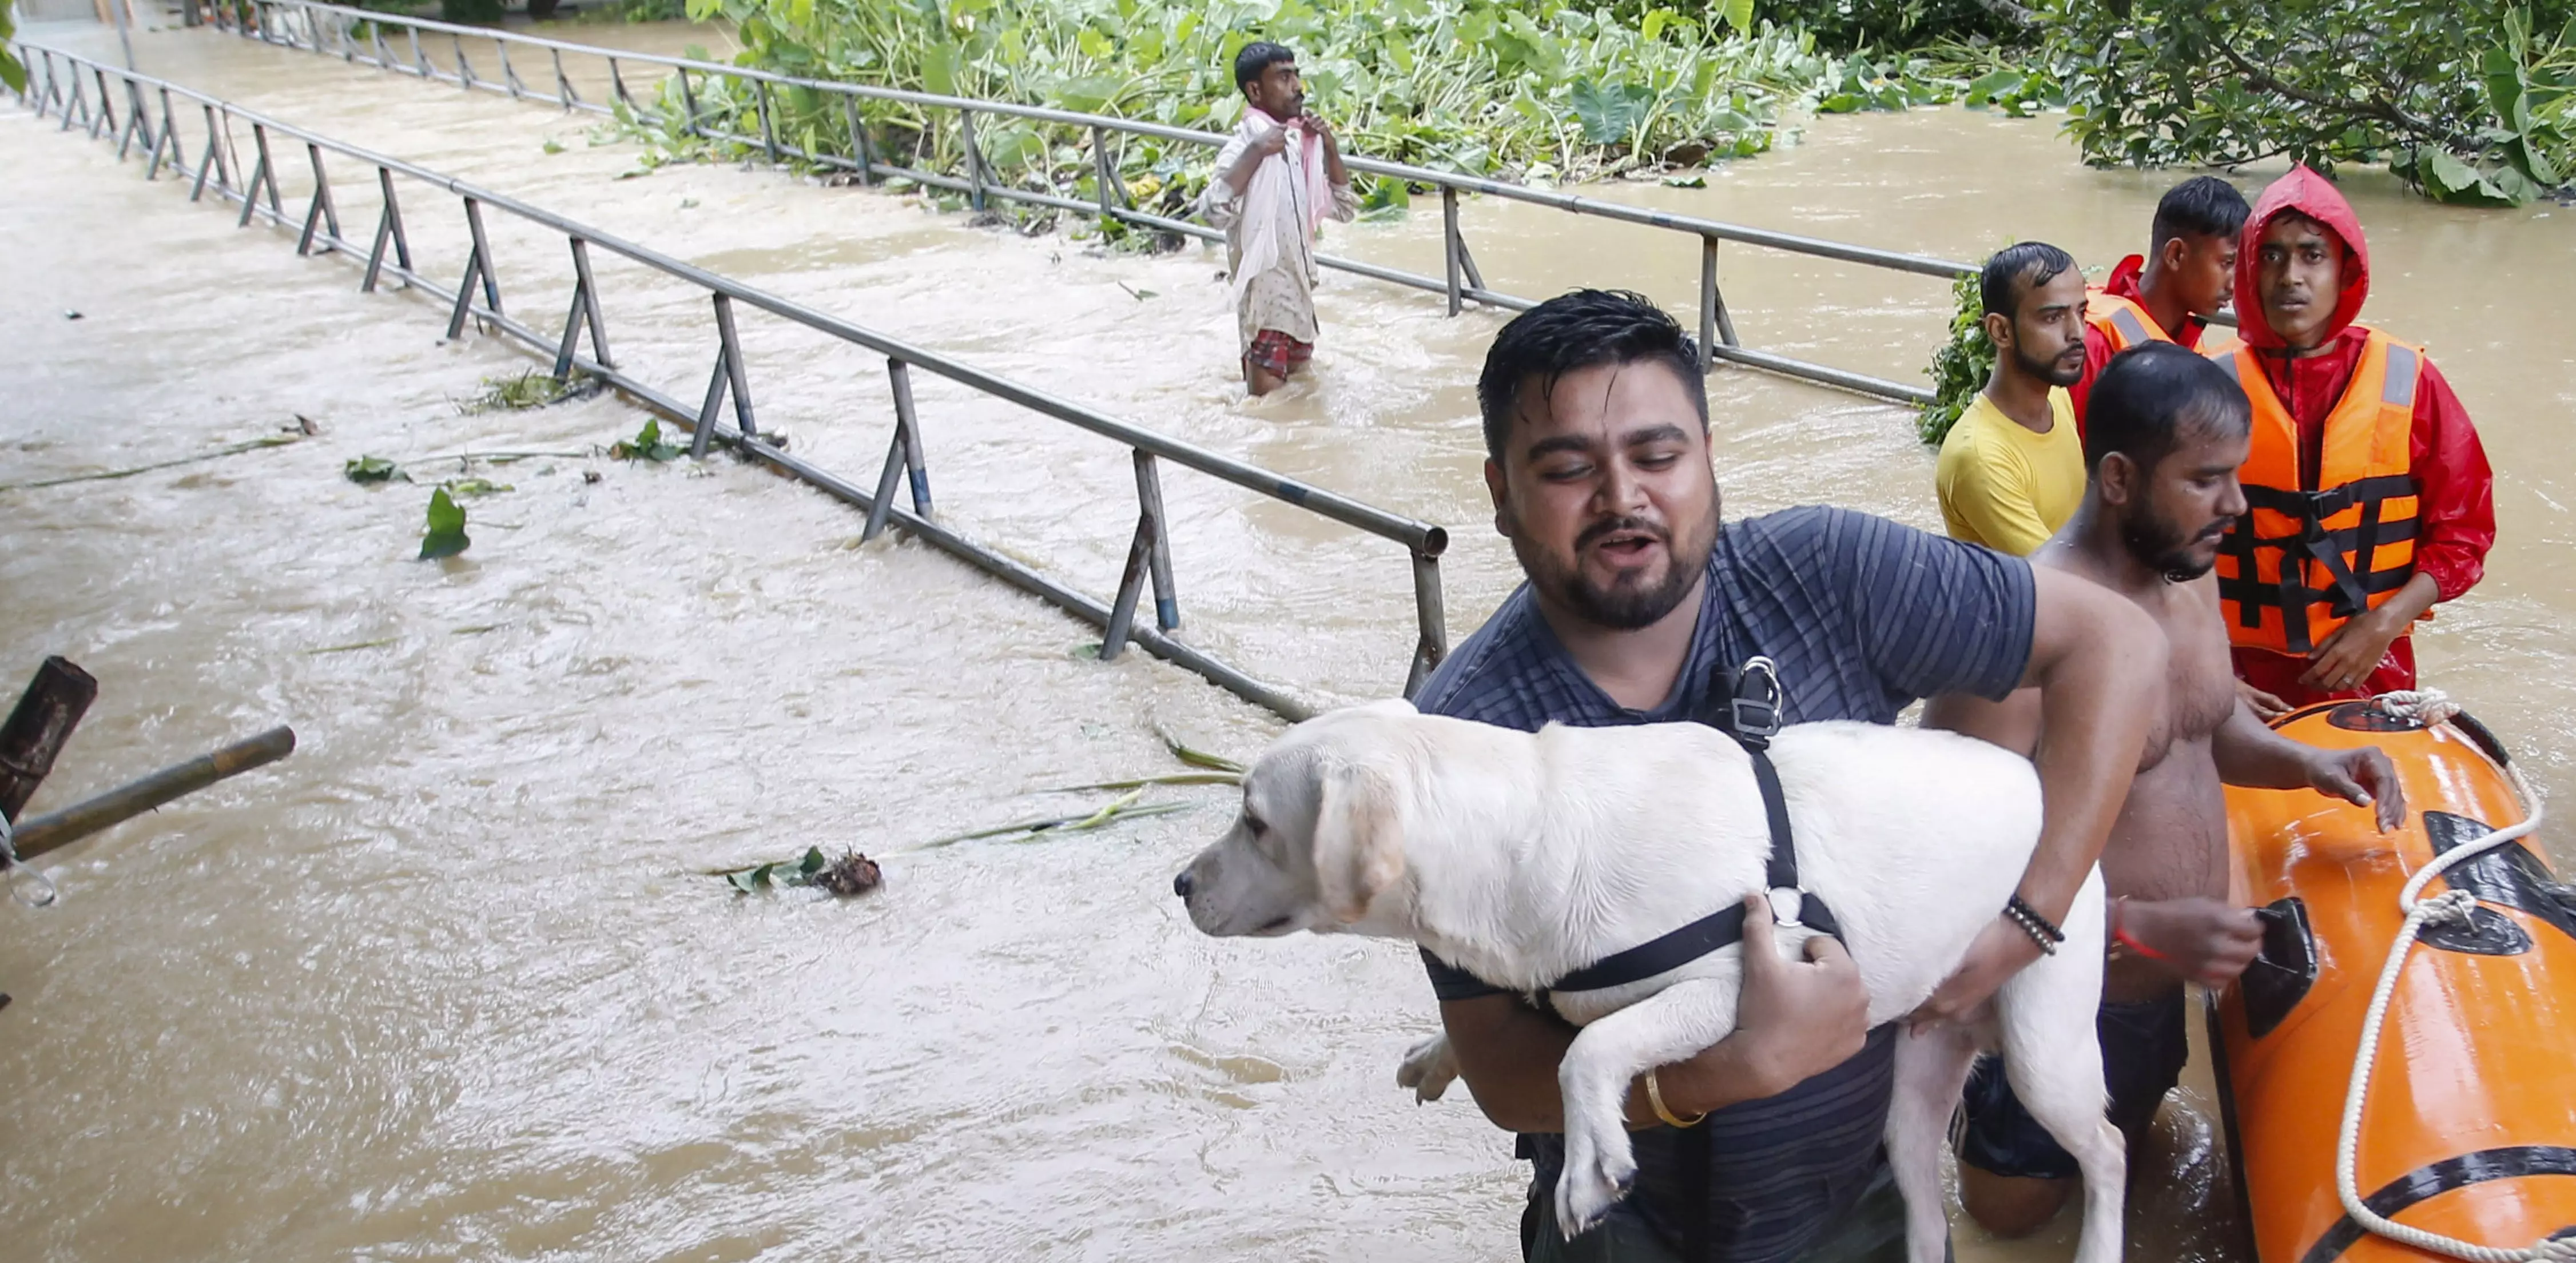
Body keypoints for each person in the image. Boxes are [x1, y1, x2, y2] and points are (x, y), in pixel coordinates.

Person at [1416, 289, 2166, 1262]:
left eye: (1656, 454)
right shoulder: (1464, 736)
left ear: (1708, 456)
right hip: (1621, 1223)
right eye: (1565, 468)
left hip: (1859, 1204)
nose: (1620, 497)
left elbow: (2116, 646)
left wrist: (2030, 916)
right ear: (1498, 489)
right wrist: (1713, 1075)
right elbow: (1500, 1068)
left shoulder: (1822, 573)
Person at [1926, 342, 2405, 1236]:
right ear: (2117, 478)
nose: (2237, 504)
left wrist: (2308, 765)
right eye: (2207, 480)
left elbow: (2208, 723)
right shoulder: (2022, 638)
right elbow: (1942, 884)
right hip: (2044, 1008)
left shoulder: (2191, 575)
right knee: (2008, 1219)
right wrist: (2142, 927)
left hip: (2156, 999)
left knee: (2123, 1189)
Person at [2213, 166, 2496, 717]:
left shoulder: (2410, 379)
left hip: (2371, 667)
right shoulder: (2207, 385)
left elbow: (2465, 533)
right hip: (2237, 678)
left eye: (2311, 255)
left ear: (2346, 270)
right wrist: (2204, 673)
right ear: (2249, 268)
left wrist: (2384, 625)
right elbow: (2158, 552)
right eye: (2271, 255)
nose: (2290, 275)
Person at [1201, 42, 1356, 396]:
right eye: (1284, 78)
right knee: (1269, 411)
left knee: (1296, 408)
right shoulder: (1245, 147)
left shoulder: (1295, 145)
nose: (1298, 87)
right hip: (1266, 306)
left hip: (1299, 299)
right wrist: (1255, 153)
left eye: (1296, 75)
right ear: (1255, 90)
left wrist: (1329, 147)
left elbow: (1344, 209)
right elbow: (1212, 210)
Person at [1935, 242, 2088, 556]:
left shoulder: (2057, 398)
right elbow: (2058, 581)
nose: (2078, 332)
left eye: (2081, 312)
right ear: (2000, 331)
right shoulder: (1979, 457)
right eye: (2053, 318)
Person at [2068, 176, 2251, 424]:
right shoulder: (2094, 345)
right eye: (2227, 263)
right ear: (2175, 255)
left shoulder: (2186, 337)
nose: (2234, 285)